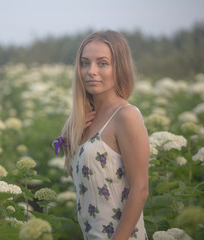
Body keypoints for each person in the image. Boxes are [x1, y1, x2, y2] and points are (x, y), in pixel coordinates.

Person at [57, 30, 149, 239]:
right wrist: (67, 137)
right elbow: (88, 182)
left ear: (120, 67)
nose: (91, 71)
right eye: (85, 63)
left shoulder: (126, 116)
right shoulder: (85, 119)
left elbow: (140, 189)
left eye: (102, 63)